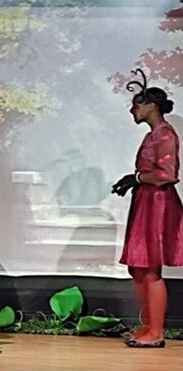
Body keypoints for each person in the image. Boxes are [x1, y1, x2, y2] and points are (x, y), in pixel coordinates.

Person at [112, 69, 182, 348]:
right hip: (146, 202)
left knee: (150, 269)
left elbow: (167, 174)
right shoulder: (154, 135)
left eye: (137, 104)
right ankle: (148, 326)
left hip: (158, 204)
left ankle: (156, 332)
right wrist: (135, 182)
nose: (133, 110)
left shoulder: (165, 135)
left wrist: (137, 178)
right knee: (138, 268)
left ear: (152, 105)